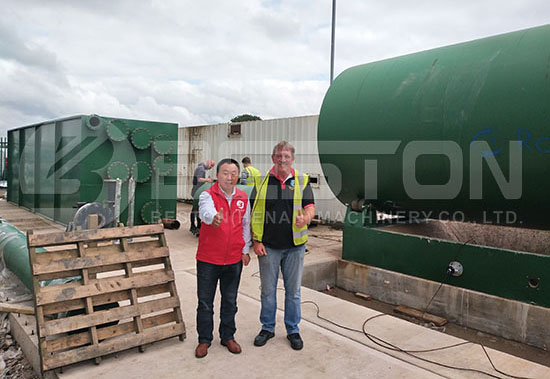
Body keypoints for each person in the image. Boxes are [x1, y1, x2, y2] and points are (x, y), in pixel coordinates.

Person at [250, 141, 315, 351]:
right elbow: (252, 213)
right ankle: (267, 328)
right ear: (273, 158)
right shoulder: (261, 182)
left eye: (286, 156)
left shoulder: (302, 180)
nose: (282, 159)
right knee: (267, 291)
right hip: (268, 247)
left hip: (295, 247)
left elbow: (310, 207)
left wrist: (305, 218)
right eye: (279, 156)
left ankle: (293, 330)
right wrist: (256, 241)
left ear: (292, 159)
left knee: (293, 291)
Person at [194, 158, 251, 359]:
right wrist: (213, 218)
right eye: (225, 173)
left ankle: (228, 336)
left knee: (230, 300)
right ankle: (204, 339)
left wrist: (245, 249)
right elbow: (205, 212)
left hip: (234, 259)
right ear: (217, 175)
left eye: (234, 173)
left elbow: (245, 225)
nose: (230, 177)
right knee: (205, 302)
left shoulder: (243, 197)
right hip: (209, 258)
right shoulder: (207, 194)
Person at [189, 159, 215, 236]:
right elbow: (199, 179)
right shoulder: (201, 169)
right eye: (211, 166)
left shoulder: (200, 168)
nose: (210, 168)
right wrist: (208, 180)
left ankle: (196, 225)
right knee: (195, 209)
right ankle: (194, 226)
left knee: (196, 208)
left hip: (196, 190)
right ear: (208, 163)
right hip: (197, 191)